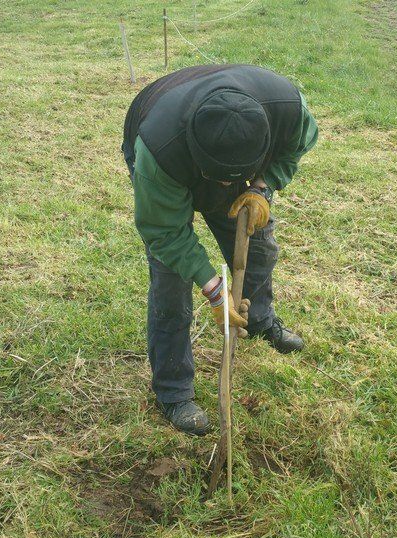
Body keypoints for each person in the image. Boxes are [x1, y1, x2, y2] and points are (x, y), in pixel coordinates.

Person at [122, 65, 318, 436]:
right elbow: (164, 232)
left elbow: (295, 148)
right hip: (161, 136)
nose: (228, 187)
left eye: (234, 178)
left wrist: (260, 188)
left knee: (258, 247)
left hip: (228, 152)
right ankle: (174, 391)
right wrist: (214, 289)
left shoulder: (286, 108)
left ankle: (257, 318)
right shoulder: (160, 148)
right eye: (218, 178)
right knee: (171, 277)